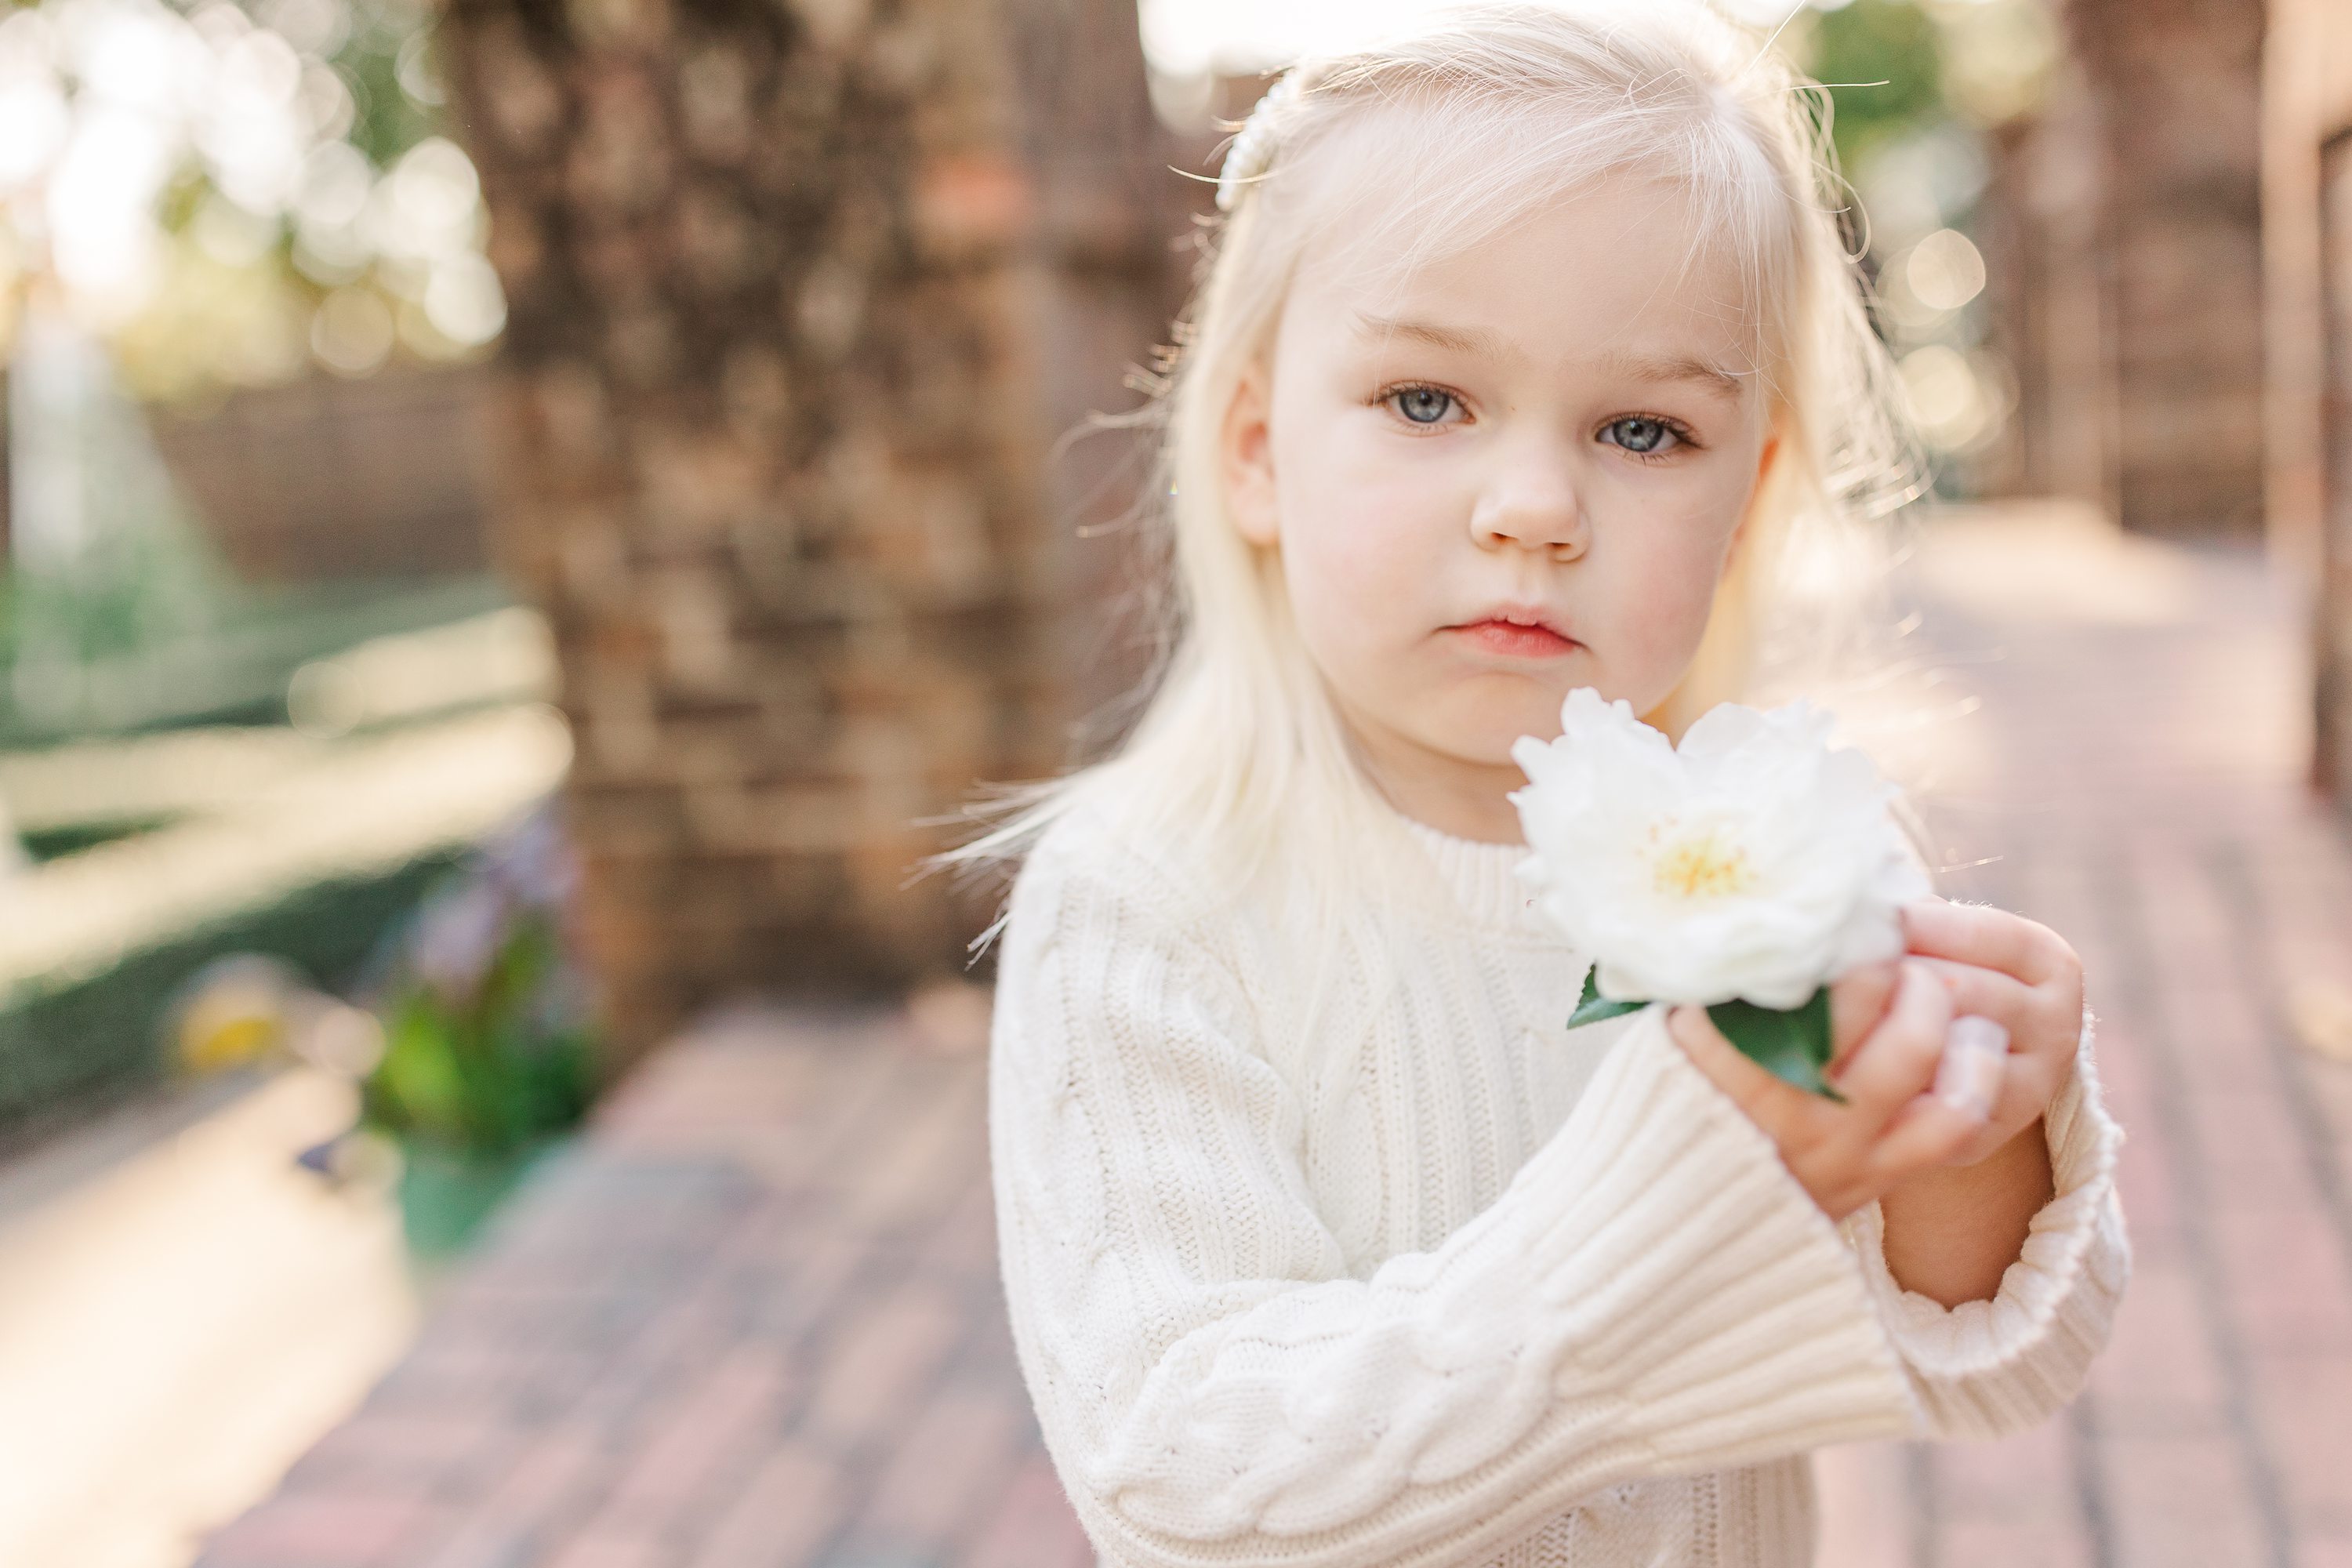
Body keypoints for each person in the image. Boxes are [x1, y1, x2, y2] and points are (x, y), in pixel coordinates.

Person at [924, 5, 2130, 1563]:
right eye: (1429, 401)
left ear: (1748, 491)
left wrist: (1976, 1133)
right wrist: (1671, 1192)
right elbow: (1184, 1481)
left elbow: (1993, 1364)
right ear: (1255, 449)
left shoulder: (1772, 850)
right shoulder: (1152, 900)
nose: (1536, 506)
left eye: (1643, 427)